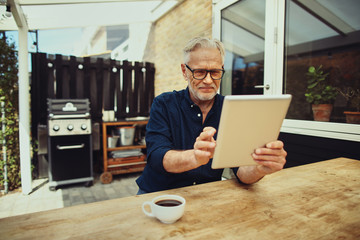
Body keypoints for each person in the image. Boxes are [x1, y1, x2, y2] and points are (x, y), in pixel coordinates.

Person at [136, 37, 287, 194]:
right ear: (184, 71)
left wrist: (260, 168)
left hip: (206, 195)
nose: (208, 80)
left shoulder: (232, 110)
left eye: (215, 72)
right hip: (158, 193)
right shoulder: (164, 104)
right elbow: (156, 157)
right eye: (199, 72)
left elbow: (242, 173)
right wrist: (194, 157)